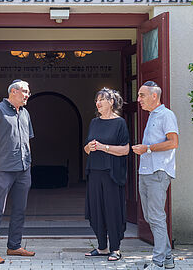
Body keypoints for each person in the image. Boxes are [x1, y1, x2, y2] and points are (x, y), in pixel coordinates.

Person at [0, 79, 36, 264]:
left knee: (20, 209)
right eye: (24, 91)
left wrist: (28, 161)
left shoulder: (25, 113)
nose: (27, 94)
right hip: (3, 168)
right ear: (13, 91)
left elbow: (27, 139)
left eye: (28, 91)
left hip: (23, 168)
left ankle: (14, 246)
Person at [132, 81, 179, 270]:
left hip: (158, 173)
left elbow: (173, 142)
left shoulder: (166, 115)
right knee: (152, 217)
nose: (138, 99)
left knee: (156, 217)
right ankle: (167, 259)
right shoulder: (152, 116)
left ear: (154, 96)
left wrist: (148, 149)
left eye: (142, 95)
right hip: (146, 172)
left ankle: (158, 262)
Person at [83, 87, 130, 262]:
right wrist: (90, 147)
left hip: (112, 174)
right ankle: (102, 247)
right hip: (94, 172)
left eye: (101, 99)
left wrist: (104, 148)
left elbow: (125, 150)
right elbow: (86, 148)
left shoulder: (120, 123)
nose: (98, 103)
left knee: (112, 210)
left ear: (111, 102)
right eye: (97, 100)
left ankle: (115, 249)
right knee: (96, 210)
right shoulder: (94, 122)